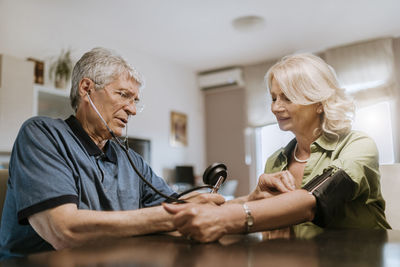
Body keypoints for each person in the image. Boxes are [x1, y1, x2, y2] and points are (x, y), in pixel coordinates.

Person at [0, 47, 223, 257]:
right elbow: (64, 232)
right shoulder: (42, 134)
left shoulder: (130, 158)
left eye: (135, 100)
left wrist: (242, 204)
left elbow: (177, 206)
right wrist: (173, 219)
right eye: (124, 95)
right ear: (86, 89)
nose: (133, 109)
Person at [163, 53, 391, 242]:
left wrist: (224, 218)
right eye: (273, 98)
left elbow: (316, 199)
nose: (275, 107)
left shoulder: (359, 146)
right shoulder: (275, 161)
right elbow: (271, 225)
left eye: (287, 98)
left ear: (319, 103)